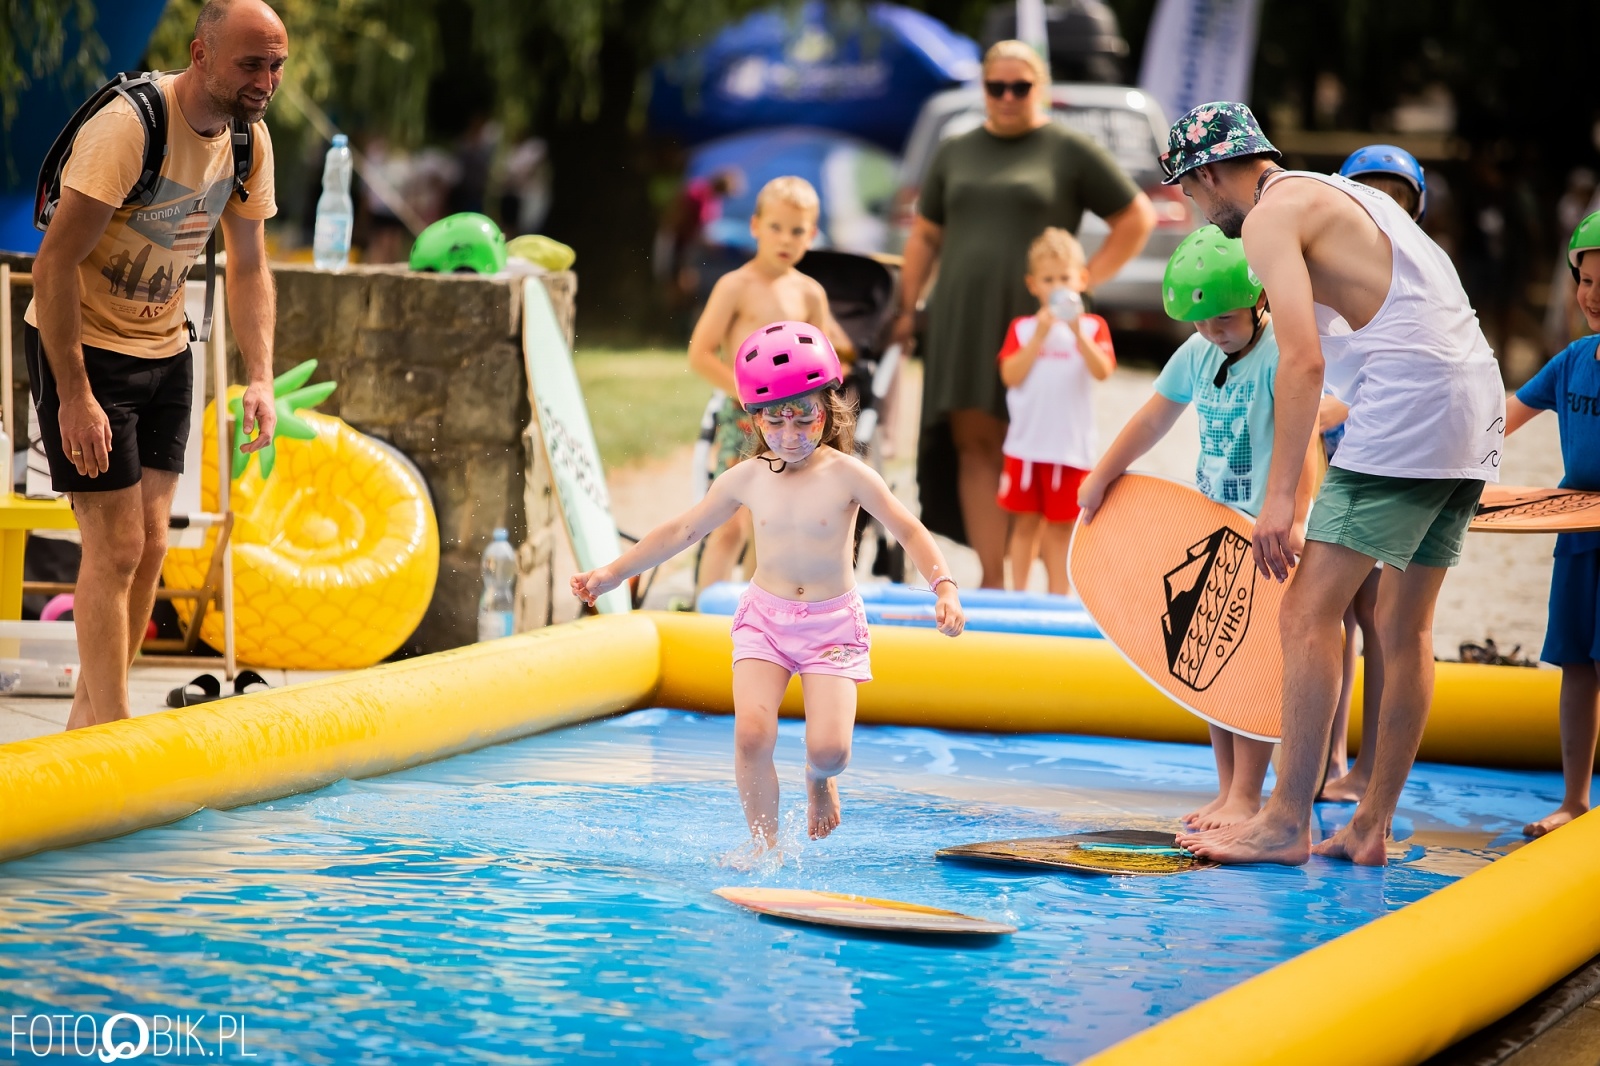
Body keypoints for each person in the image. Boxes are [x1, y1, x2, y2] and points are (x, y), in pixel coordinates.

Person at [1162, 102, 1504, 867]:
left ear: (1212, 173)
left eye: (1190, 189)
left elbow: (1303, 360)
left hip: (1410, 409)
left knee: (1305, 612)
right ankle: (1370, 826)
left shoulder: (1267, 217)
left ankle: (1287, 818)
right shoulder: (1348, 196)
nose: (1194, 206)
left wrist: (1281, 497)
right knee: (1404, 626)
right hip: (1471, 403)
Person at [574, 323, 964, 850]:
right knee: (751, 735)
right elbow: (681, 530)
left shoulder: (850, 475)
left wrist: (943, 585)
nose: (790, 432)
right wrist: (613, 572)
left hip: (832, 626)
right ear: (754, 420)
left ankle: (818, 780)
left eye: (804, 416)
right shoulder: (748, 477)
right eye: (775, 419)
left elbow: (908, 528)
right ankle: (765, 848)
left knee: (832, 751)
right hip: (765, 619)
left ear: (828, 409)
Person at [25, 0, 283, 731]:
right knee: (116, 547)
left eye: (276, 64)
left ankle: (87, 721)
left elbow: (251, 264)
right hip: (88, 350)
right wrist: (74, 396)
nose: (267, 79)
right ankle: (113, 732)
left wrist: (259, 376)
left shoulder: (248, 143)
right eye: (251, 63)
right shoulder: (129, 129)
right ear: (201, 56)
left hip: (168, 349)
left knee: (151, 546)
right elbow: (52, 266)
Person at [1078, 225, 1317, 829]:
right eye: (1202, 324)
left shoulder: (1279, 355)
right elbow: (1153, 417)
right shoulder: (1197, 353)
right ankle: (1226, 788)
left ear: (1260, 301)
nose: (1213, 334)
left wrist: (1293, 512)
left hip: (1265, 531)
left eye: (1225, 322)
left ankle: (1248, 793)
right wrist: (1104, 474)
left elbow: (1305, 437)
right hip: (1212, 521)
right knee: (1205, 658)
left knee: (1253, 661)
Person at [893, 39, 1154, 589]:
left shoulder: (1067, 149)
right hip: (963, 317)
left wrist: (1085, 281)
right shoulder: (955, 151)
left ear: (1042, 87)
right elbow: (925, 235)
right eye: (996, 87)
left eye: (1021, 86)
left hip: (1040, 324)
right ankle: (992, 581)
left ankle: (1050, 588)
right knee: (976, 441)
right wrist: (905, 305)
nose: (1008, 96)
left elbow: (1137, 216)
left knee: (1035, 445)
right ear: (982, 89)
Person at [1314, 144, 1427, 802]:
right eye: (1369, 192)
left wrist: (1347, 404)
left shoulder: (1420, 278)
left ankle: (1368, 767)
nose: (1383, 205)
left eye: (1397, 195)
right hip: (1331, 461)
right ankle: (1328, 754)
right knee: (1332, 612)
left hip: (1388, 464)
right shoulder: (1330, 270)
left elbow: (1418, 370)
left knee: (1379, 615)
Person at [686, 177, 852, 597]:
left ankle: (760, 613)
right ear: (755, 226)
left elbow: (826, 351)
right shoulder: (735, 286)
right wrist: (747, 399)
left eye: (797, 230)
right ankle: (707, 614)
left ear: (812, 235)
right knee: (727, 523)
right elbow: (700, 354)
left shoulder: (810, 293)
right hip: (741, 420)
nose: (785, 239)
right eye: (776, 227)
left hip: (791, 425)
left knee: (771, 522)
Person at [1504, 211, 1600, 838]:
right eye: (1586, 280)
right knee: (1576, 667)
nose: (1592, 295)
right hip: (1577, 535)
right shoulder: (1571, 362)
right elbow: (1496, 422)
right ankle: (1573, 800)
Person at [997, 227, 1114, 593]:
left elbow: (1103, 371)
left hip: (1070, 448)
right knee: (1024, 524)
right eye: (1048, 279)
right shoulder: (1023, 328)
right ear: (1033, 285)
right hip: (1027, 447)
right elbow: (1010, 375)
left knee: (1063, 526)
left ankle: (1057, 599)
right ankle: (1018, 594)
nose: (1057, 286)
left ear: (1081, 280)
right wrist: (1040, 337)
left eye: (1064, 277)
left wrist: (1077, 332)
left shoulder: (1093, 327)